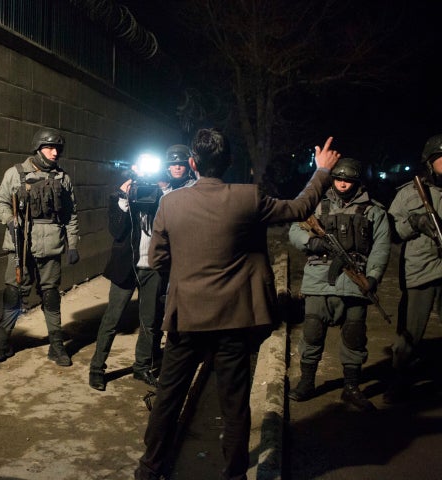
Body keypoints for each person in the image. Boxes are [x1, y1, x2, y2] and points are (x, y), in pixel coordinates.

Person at [135, 128, 341, 480]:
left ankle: (150, 467)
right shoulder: (249, 197)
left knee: (168, 397)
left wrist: (187, 275)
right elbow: (300, 207)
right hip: (234, 319)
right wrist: (321, 171)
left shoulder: (170, 203)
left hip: (187, 318)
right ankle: (232, 473)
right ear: (228, 163)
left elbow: (157, 260)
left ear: (192, 163)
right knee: (234, 402)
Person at [88, 145, 195, 391]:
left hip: (153, 268)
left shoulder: (164, 195)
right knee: (111, 319)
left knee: (150, 321)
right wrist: (123, 199)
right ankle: (96, 368)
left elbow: (174, 220)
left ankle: (142, 367)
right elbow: (116, 231)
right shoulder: (121, 194)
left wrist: (164, 189)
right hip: (126, 267)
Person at [288, 157, 390, 411]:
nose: (343, 185)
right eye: (339, 179)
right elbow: (295, 229)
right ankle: (307, 382)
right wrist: (311, 243)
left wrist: (373, 277)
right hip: (318, 280)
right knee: (312, 333)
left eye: (348, 181)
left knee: (354, 336)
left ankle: (351, 387)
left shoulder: (373, 210)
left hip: (355, 282)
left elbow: (381, 246)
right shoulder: (317, 206)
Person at [0, 128, 79, 366]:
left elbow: (71, 215)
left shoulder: (63, 179)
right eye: (50, 148)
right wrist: (10, 221)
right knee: (12, 295)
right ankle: (1, 342)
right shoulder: (16, 173)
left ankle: (56, 345)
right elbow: (0, 202)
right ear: (38, 149)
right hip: (21, 245)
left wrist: (73, 245)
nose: (55, 152)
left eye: (58, 149)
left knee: (50, 295)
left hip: (50, 245)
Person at [385, 133, 442, 403]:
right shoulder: (409, 193)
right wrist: (416, 222)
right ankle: (397, 381)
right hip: (421, 271)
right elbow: (393, 232)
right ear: (429, 163)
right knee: (409, 335)